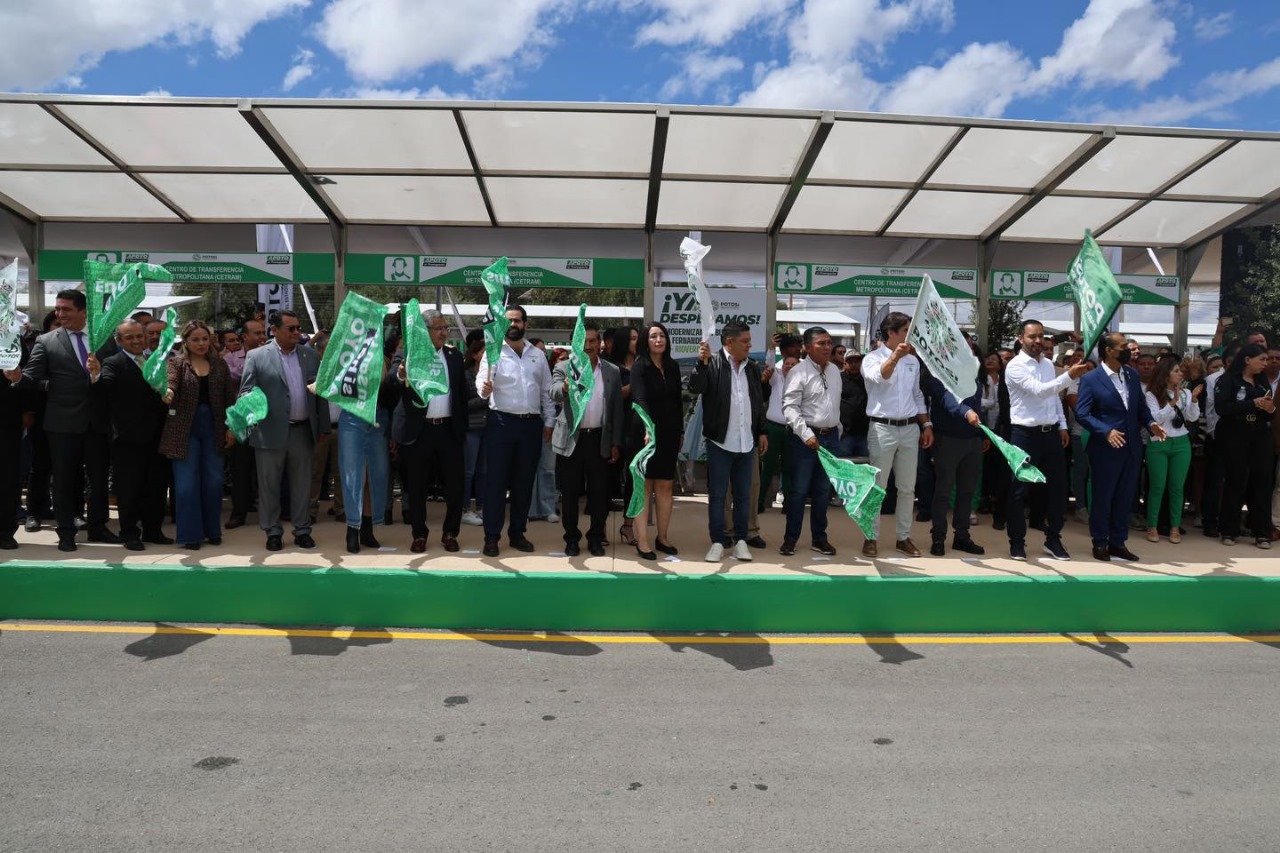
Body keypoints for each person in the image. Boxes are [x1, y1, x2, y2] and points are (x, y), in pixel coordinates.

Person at [5, 290, 117, 551]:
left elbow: (114, 378)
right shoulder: (46, 341)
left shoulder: (104, 339)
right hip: (62, 423)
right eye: (58, 309)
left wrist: (98, 376)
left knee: (98, 479)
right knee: (64, 480)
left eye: (66, 309)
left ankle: (98, 527)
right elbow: (31, 377)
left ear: (83, 312)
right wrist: (18, 377)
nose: (60, 314)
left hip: (97, 422)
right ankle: (66, 531)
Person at [240, 310, 328, 552]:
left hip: (302, 431)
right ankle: (273, 531)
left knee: (302, 485)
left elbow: (320, 394)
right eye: (291, 328)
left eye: (298, 327)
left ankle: (302, 530)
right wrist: (249, 404)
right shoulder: (257, 356)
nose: (297, 332)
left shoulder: (310, 355)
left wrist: (323, 426)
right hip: (269, 432)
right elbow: (246, 390)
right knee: (269, 486)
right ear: (274, 330)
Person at [1003, 320, 1090, 561]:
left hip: (1050, 433)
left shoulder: (1048, 365)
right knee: (1019, 490)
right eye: (1032, 336)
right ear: (1021, 338)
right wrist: (1069, 376)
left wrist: (1061, 425)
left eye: (1041, 336)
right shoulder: (1015, 366)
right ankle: (1017, 542)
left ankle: (1053, 539)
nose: (1038, 341)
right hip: (1024, 434)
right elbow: (1040, 391)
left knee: (1058, 488)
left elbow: (1053, 398)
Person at [1075, 332, 1164, 562]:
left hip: (1131, 447)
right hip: (1105, 448)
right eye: (1123, 346)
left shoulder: (1132, 375)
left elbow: (1140, 408)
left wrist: (1151, 424)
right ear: (1109, 350)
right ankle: (1100, 542)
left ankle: (1118, 542)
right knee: (1103, 496)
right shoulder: (1091, 379)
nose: (1129, 351)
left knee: (1125, 497)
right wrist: (1105, 431)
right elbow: (1082, 413)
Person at [476, 305, 556, 557]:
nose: (513, 325)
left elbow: (546, 390)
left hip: (530, 426)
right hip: (501, 423)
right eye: (508, 321)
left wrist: (549, 421)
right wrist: (484, 390)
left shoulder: (538, 355)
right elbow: (481, 382)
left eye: (517, 321)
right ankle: (492, 537)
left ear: (525, 324)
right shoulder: (493, 352)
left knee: (524, 482)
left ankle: (518, 533)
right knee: (496, 483)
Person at [688, 321, 767, 562]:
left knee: (743, 495)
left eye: (749, 340)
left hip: (747, 442)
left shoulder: (752, 367)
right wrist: (701, 364)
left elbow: (757, 402)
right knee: (718, 495)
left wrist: (762, 431)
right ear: (729, 342)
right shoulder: (711, 364)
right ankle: (718, 542)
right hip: (720, 443)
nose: (749, 345)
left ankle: (741, 541)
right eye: (745, 341)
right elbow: (695, 387)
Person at [92, 320, 173, 550]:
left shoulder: (154, 361)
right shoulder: (113, 363)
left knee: (156, 486)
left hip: (157, 435)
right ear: (119, 341)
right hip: (128, 438)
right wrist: (96, 377)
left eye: (139, 336)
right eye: (130, 337)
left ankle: (153, 530)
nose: (136, 341)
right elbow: (105, 391)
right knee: (129, 489)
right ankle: (129, 533)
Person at [393, 310, 469, 554]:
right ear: (425, 332)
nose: (444, 332)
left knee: (455, 486)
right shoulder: (409, 354)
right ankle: (419, 534)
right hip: (419, 431)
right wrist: (401, 374)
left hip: (449, 430)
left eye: (446, 328)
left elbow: (461, 395)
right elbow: (389, 383)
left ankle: (450, 533)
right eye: (439, 328)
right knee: (416, 486)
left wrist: (462, 430)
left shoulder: (454, 356)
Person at [859, 311, 932, 558]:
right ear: (891, 333)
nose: (909, 335)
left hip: (910, 428)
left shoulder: (913, 361)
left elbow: (917, 394)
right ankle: (870, 536)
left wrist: (926, 424)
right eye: (905, 331)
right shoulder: (871, 358)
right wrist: (895, 357)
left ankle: (903, 537)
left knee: (907, 488)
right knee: (877, 487)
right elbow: (880, 376)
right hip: (882, 428)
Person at [157, 321, 234, 549]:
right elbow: (171, 384)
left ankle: (212, 531)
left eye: (205, 339)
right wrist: (168, 393)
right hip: (184, 429)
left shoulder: (220, 364)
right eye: (195, 339)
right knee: (186, 484)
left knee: (214, 481)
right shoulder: (177, 363)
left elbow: (230, 397)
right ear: (186, 342)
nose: (201, 343)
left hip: (215, 426)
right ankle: (190, 535)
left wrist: (231, 426)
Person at [550, 321, 623, 557]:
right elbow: (553, 393)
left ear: (600, 343)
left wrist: (615, 443)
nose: (588, 346)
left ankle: (595, 538)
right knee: (570, 494)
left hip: (599, 440)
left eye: (592, 341)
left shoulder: (611, 371)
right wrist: (564, 387)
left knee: (599, 494)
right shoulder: (564, 367)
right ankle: (571, 538)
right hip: (572, 440)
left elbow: (616, 410)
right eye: (583, 341)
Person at [778, 326, 842, 557]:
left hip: (830, 437)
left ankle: (819, 538)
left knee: (823, 491)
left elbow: (835, 405)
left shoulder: (835, 371)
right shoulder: (798, 372)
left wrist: (836, 430)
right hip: (804, 439)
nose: (827, 347)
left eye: (829, 343)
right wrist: (806, 435)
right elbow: (790, 408)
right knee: (798, 491)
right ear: (806, 348)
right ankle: (790, 539)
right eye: (821, 343)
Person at [628, 321, 685, 559]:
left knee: (665, 485)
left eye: (662, 335)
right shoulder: (639, 366)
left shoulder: (673, 366)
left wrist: (680, 431)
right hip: (644, 433)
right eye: (653, 336)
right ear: (646, 341)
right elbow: (639, 398)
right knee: (644, 485)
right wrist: (647, 427)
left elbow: (678, 401)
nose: (658, 340)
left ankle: (662, 538)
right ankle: (642, 541)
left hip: (669, 432)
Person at [1214, 344, 1276, 549]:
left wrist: (1270, 408)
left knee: (1262, 482)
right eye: (1262, 359)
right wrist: (1253, 404)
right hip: (1235, 434)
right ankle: (1229, 530)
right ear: (1247, 359)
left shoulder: (1262, 382)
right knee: (1236, 480)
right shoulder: (1228, 380)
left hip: (1260, 434)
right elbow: (1222, 407)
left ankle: (1262, 532)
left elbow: (1269, 411)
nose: (1265, 363)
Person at [924, 367, 988, 557]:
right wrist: (966, 412)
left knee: (967, 491)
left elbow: (977, 403)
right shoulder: (939, 370)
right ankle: (938, 538)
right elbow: (947, 398)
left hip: (972, 440)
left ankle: (962, 537)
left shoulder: (972, 372)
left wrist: (983, 433)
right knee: (943, 491)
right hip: (948, 440)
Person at [1143, 357, 1200, 544]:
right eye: (1176, 371)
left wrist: (1194, 400)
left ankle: (1175, 527)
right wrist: (1172, 402)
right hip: (1159, 442)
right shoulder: (1151, 394)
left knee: (1177, 487)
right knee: (1157, 486)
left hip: (1181, 442)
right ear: (1165, 374)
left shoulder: (1186, 392)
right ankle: (1152, 525)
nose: (1180, 374)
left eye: (1180, 371)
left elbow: (1192, 417)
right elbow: (1155, 420)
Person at [225, 318, 266, 529]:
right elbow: (236, 378)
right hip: (242, 422)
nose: (261, 337)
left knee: (267, 469)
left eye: (263, 333)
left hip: (266, 421)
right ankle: (238, 512)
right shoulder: (230, 359)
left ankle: (272, 511)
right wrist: (257, 360)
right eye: (257, 333)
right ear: (245, 337)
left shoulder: (273, 356)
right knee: (240, 469)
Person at [760, 333, 803, 511]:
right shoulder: (776, 378)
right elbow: (769, 365)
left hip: (792, 430)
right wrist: (772, 348)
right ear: (782, 366)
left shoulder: (802, 381)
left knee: (789, 469)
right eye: (787, 364)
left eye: (793, 365)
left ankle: (788, 505)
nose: (790, 367)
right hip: (773, 428)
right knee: (767, 468)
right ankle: (759, 503)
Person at [460, 335, 488, 526]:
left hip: (488, 427)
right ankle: (464, 509)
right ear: (475, 355)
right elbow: (463, 405)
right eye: (484, 352)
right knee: (468, 471)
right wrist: (485, 398)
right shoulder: (466, 375)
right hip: (471, 428)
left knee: (483, 471)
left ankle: (482, 506)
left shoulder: (490, 375)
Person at [837, 350, 869, 459]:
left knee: (865, 466)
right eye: (850, 362)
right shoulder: (838, 379)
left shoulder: (867, 379)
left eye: (857, 361)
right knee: (843, 466)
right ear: (844, 363)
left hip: (865, 435)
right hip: (845, 435)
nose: (854, 364)